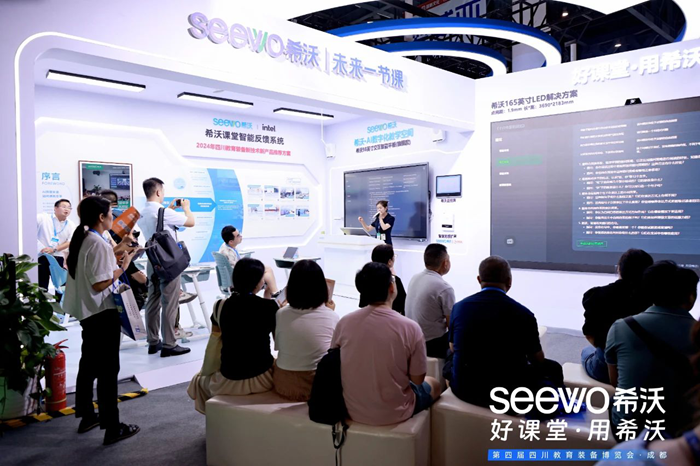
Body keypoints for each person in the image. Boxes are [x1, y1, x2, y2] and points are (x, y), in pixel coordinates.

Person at [63, 196, 140, 445]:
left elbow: (96, 265)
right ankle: (112, 427)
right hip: (101, 313)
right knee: (108, 371)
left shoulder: (85, 238)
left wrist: (119, 251)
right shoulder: (97, 243)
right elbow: (100, 283)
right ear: (101, 217)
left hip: (88, 312)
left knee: (89, 365)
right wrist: (124, 266)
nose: (112, 218)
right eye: (110, 213)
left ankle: (87, 415)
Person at [447, 256, 563, 412]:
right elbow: (537, 359)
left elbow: (453, 347)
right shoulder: (524, 314)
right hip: (508, 395)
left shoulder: (459, 308)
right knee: (553, 368)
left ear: (479, 279)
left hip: (464, 389)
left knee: (450, 358)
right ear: (509, 281)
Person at [331, 262, 440, 426]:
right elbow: (417, 379)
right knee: (435, 384)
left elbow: (334, 359)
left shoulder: (344, 323)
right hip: (396, 412)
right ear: (391, 287)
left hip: (352, 409)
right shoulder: (410, 327)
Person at [606, 261, 698, 439]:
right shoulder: (697, 333)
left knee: (615, 401)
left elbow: (615, 381)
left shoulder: (622, 327)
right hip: (681, 431)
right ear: (690, 298)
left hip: (630, 428)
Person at [187, 258, 279, 413]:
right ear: (259, 281)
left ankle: (215, 417)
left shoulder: (220, 306)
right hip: (263, 379)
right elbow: (280, 343)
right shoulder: (270, 307)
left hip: (227, 380)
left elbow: (216, 337)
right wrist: (272, 295)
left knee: (199, 379)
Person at [137, 177, 195, 357]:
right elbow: (190, 222)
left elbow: (158, 223)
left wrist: (168, 209)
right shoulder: (162, 211)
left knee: (153, 300)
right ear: (158, 192)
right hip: (168, 262)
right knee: (170, 302)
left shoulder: (143, 212)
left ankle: (153, 342)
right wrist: (186, 208)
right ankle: (170, 344)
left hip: (152, 259)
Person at [581, 249, 654, 383]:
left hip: (607, 366)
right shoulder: (656, 298)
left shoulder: (597, 296)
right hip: (648, 367)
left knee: (586, 351)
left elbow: (589, 333)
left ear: (619, 269)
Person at [274, 260, 338, 401]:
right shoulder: (332, 316)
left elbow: (279, 347)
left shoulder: (280, 314)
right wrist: (330, 312)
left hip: (283, 384)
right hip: (317, 386)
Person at [405, 243, 455, 358]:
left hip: (411, 339)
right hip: (431, 345)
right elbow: (451, 325)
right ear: (445, 263)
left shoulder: (415, 278)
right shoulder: (444, 288)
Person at [218, 225, 279, 298]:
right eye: (238, 236)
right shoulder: (228, 253)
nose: (241, 236)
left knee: (268, 276)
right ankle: (275, 293)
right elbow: (237, 270)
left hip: (236, 278)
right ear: (231, 241)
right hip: (239, 281)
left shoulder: (226, 246)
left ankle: (274, 293)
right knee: (268, 275)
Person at [37, 199, 76, 292]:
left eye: (69, 208)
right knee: (42, 285)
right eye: (64, 207)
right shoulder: (43, 218)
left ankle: (60, 301)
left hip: (58, 257)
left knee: (60, 285)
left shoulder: (71, 224)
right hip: (42, 256)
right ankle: (42, 301)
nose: (66, 209)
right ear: (55, 208)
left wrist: (54, 249)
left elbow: (70, 241)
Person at [359, 244, 406, 315]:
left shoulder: (367, 278)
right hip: (391, 317)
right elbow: (403, 305)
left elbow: (362, 304)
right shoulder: (394, 280)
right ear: (389, 261)